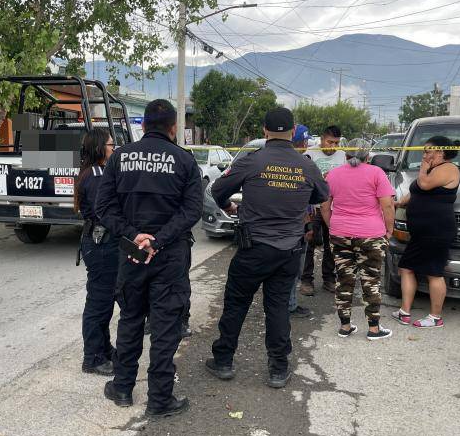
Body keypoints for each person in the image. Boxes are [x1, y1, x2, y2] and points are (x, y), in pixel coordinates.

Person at [206, 108, 328, 389]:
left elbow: (217, 190)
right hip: (289, 251)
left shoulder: (252, 161)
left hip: (254, 248)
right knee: (277, 308)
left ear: (264, 130)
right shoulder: (306, 165)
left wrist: (229, 207)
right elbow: (321, 195)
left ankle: (224, 361)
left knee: (236, 304)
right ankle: (278, 368)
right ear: (293, 129)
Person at [96, 99, 202, 418]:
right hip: (169, 255)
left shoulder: (120, 158)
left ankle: (123, 387)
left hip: (132, 253)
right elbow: (192, 211)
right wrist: (159, 239)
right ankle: (160, 399)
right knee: (165, 325)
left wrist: (135, 236)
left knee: (130, 319)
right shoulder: (184, 160)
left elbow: (104, 209)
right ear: (173, 128)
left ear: (143, 127)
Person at [322, 138, 395, 340]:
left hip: (340, 233)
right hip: (371, 234)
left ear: (345, 155)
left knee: (343, 279)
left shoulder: (332, 175)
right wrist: (389, 230)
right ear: (368, 156)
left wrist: (333, 226)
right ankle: (373, 328)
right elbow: (387, 205)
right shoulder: (377, 173)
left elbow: (324, 206)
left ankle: (345, 326)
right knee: (370, 280)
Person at [392, 136, 460, 329]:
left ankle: (435, 317)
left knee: (433, 273)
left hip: (436, 229)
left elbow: (424, 185)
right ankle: (404, 312)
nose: (424, 154)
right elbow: (415, 192)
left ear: (440, 152)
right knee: (406, 267)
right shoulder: (430, 170)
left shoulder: (448, 168)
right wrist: (398, 203)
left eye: (428, 151)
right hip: (420, 231)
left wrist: (423, 165)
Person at [75, 128, 118, 376]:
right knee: (98, 303)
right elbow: (106, 212)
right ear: (100, 148)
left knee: (105, 300)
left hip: (100, 242)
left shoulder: (94, 173)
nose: (114, 149)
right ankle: (92, 357)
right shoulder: (95, 176)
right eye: (111, 145)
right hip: (101, 243)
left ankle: (103, 348)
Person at [301, 125, 345, 295]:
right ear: (321, 139)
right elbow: (303, 179)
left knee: (331, 244)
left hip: (335, 208)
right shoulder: (310, 153)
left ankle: (329, 279)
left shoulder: (343, 155)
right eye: (329, 142)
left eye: (336, 143)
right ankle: (306, 280)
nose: (332, 146)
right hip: (314, 207)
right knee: (309, 243)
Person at [287, 123, 314, 319]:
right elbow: (316, 194)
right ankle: (289, 305)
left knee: (292, 268)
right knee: (292, 268)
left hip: (296, 223)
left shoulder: (291, 161)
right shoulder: (303, 163)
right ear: (302, 141)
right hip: (296, 225)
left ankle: (288, 303)